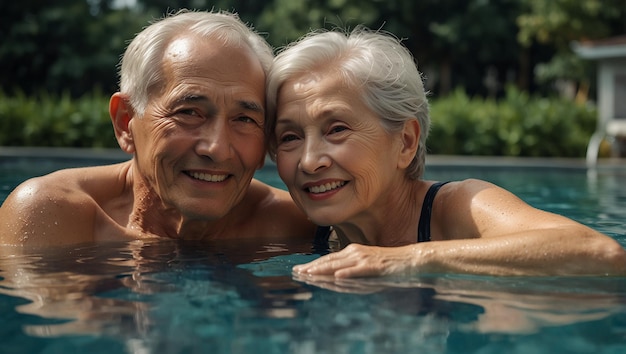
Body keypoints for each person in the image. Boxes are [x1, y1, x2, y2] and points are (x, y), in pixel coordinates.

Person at [264, 27, 626, 277]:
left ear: (405, 142)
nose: (310, 161)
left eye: (337, 129)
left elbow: (599, 253)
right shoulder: (299, 226)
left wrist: (405, 260)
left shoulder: (459, 208)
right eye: (290, 137)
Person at [0, 10, 316, 247]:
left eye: (244, 119)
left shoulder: (295, 224)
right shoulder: (53, 216)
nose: (217, 148)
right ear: (126, 122)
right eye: (189, 112)